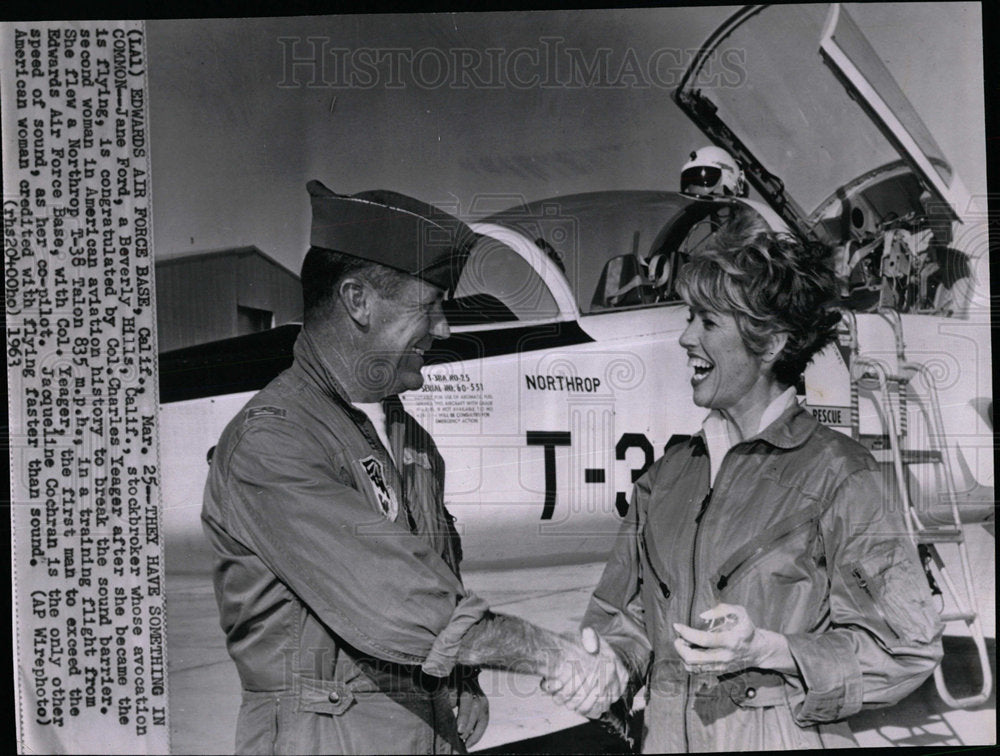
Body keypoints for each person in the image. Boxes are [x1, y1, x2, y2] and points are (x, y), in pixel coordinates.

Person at [201, 180, 615, 754]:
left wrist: (461, 682)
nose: (444, 328)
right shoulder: (272, 442)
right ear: (358, 300)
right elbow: (405, 605)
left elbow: (436, 573)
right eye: (429, 306)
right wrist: (552, 654)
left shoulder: (404, 435)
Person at [547, 209, 944, 751]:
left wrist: (769, 650)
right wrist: (606, 664)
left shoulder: (839, 474)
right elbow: (626, 619)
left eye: (708, 323)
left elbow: (907, 648)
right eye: (690, 317)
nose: (685, 338)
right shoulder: (665, 480)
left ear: (772, 343)